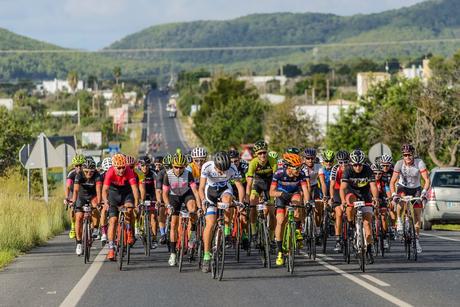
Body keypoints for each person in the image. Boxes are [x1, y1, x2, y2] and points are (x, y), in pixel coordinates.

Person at [199, 152, 245, 273]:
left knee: (227, 201)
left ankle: (226, 230)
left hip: (225, 190)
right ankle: (206, 256)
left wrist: (241, 203)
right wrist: (203, 200)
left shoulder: (232, 168)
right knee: (210, 223)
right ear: (215, 165)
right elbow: (201, 187)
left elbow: (239, 186)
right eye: (220, 170)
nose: (223, 173)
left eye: (225, 170)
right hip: (210, 193)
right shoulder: (207, 166)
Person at [269, 153, 310, 266]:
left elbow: (305, 189)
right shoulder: (279, 174)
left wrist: (308, 202)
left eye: (299, 167)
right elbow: (271, 192)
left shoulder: (300, 174)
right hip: (281, 196)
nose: (298, 169)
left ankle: (297, 229)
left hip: (294, 194)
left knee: (298, 201)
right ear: (288, 167)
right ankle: (279, 252)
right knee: (281, 221)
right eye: (296, 167)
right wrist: (281, 193)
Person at [340, 149, 379, 264]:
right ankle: (352, 224)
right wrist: (342, 201)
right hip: (352, 194)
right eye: (355, 165)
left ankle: (369, 249)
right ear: (352, 164)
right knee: (350, 203)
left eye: (360, 165)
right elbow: (342, 188)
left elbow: (373, 186)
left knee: (367, 223)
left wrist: (375, 198)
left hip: (365, 196)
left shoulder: (368, 170)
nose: (358, 167)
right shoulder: (347, 171)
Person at [390, 144, 430, 253]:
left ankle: (416, 240)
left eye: (410, 155)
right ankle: (399, 220)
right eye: (405, 155)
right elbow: (392, 182)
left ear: (413, 155)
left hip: (416, 189)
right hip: (403, 187)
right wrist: (394, 194)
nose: (407, 157)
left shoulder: (419, 163)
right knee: (401, 198)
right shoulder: (399, 164)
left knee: (417, 215)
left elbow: (426, 180)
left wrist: (423, 193)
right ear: (403, 155)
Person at [162, 153, 201, 266]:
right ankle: (173, 254)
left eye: (181, 167)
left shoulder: (188, 174)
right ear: (172, 166)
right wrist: (168, 205)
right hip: (174, 197)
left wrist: (200, 206)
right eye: (176, 167)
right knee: (174, 224)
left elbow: (195, 191)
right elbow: (165, 194)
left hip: (186, 194)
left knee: (192, 209)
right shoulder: (167, 175)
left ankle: (192, 233)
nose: (178, 169)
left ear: (184, 167)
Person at [102, 154, 139, 261]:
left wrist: (136, 204)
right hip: (113, 195)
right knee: (113, 221)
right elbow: (104, 190)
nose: (122, 170)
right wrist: (105, 202)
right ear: (114, 167)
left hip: (126, 194)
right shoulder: (110, 172)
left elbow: (135, 189)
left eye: (123, 167)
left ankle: (129, 231)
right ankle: (111, 249)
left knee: (129, 210)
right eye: (119, 168)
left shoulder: (129, 171)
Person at [246, 140, 278, 243]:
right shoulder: (253, 163)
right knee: (252, 206)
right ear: (256, 154)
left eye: (264, 152)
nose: (263, 155)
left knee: (272, 213)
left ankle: (272, 238)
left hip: (270, 185)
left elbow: (276, 179)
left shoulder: (272, 160)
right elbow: (249, 182)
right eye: (260, 153)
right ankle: (254, 231)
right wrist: (247, 197)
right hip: (257, 184)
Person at [71, 158, 102, 255]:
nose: (89, 173)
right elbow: (75, 191)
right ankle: (79, 243)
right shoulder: (79, 175)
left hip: (93, 196)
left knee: (96, 207)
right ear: (83, 170)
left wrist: (99, 203)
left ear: (94, 170)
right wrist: (73, 201)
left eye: (91, 171)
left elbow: (98, 190)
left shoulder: (97, 175)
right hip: (81, 196)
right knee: (79, 217)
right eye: (86, 171)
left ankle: (96, 228)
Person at [329, 150, 350, 252]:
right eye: (341, 162)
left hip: (350, 189)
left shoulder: (352, 167)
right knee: (339, 213)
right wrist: (332, 197)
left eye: (345, 162)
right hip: (337, 190)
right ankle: (338, 240)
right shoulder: (335, 169)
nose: (343, 165)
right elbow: (332, 185)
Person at [138, 155, 159, 248]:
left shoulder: (153, 174)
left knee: (153, 216)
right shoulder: (137, 173)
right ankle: (139, 227)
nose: (145, 168)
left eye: (147, 165)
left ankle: (154, 238)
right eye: (142, 166)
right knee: (137, 211)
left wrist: (158, 200)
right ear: (139, 166)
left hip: (151, 195)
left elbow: (157, 187)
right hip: (140, 195)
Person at [65, 154, 85, 239]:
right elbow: (68, 186)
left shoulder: (87, 172)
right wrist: (66, 197)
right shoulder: (71, 173)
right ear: (74, 166)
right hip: (74, 192)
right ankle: (73, 226)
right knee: (73, 207)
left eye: (80, 165)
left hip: (85, 192)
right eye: (77, 166)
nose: (79, 167)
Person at [99, 157, 112, 244]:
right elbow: (99, 189)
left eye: (110, 170)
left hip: (114, 195)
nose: (108, 173)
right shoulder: (101, 177)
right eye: (106, 171)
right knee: (103, 211)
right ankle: (103, 233)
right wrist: (101, 201)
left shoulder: (116, 174)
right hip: (105, 196)